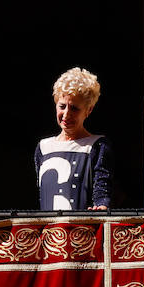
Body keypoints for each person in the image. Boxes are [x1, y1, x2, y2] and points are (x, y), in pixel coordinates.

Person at [35, 67, 112, 211]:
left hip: (82, 231)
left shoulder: (97, 145)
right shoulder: (43, 147)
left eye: (74, 108)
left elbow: (102, 189)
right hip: (50, 231)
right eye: (62, 106)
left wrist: (101, 206)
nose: (66, 114)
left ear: (89, 110)